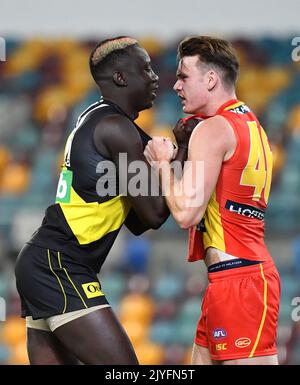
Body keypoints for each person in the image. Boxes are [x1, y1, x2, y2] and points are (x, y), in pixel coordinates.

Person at [14, 36, 193, 365]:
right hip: (60, 265)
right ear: (121, 78)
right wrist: (179, 154)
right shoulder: (116, 129)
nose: (156, 77)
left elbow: (139, 222)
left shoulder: (99, 120)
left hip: (45, 262)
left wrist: (176, 156)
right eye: (146, 69)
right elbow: (155, 214)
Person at [144, 36, 280, 365]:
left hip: (239, 281)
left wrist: (162, 164)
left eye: (183, 76)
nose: (175, 85)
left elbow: (187, 213)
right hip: (234, 279)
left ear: (210, 79)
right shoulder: (251, 124)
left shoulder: (213, 129)